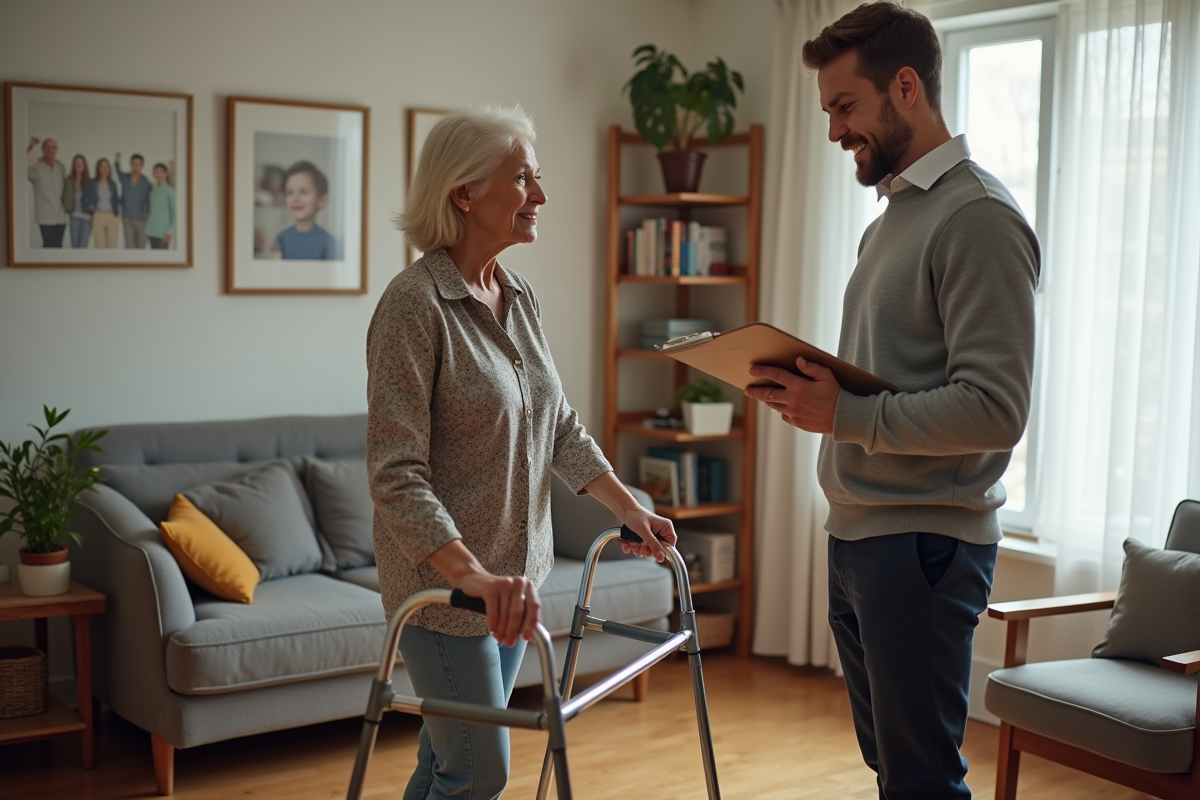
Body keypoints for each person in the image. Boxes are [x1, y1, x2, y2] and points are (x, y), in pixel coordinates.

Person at [743, 4, 1040, 799]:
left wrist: (845, 416)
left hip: (923, 546)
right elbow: (899, 372)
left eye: (845, 106)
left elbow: (995, 408)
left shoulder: (977, 218)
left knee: (921, 782)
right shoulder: (896, 218)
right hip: (862, 533)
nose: (835, 130)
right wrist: (816, 396)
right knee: (895, 773)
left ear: (905, 87)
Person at [366, 105, 676, 800]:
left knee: (447, 762)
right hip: (448, 595)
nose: (541, 195)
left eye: (537, 178)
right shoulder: (414, 306)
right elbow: (395, 477)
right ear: (464, 193)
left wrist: (629, 511)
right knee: (481, 769)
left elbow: (558, 425)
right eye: (524, 179)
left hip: (517, 585)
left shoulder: (518, 294)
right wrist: (474, 578)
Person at [271, 160, 340, 260]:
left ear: (322, 200)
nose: (295, 198)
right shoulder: (282, 238)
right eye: (290, 192)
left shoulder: (330, 242)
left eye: (303, 192)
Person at [25, 137, 67, 247]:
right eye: (47, 147)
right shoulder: (36, 169)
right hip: (45, 217)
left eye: (53, 147)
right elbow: (19, 167)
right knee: (49, 247)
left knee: (58, 247)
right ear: (43, 149)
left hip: (61, 216)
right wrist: (30, 148)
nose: (50, 150)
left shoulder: (61, 167)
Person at [114, 152, 152, 248]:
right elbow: (118, 172)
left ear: (142, 166)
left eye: (138, 165)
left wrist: (146, 212)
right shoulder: (125, 178)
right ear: (131, 165)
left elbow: (150, 199)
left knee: (140, 247)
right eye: (134, 164)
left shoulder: (146, 182)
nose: (136, 167)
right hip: (127, 218)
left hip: (141, 220)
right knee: (129, 247)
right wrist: (117, 160)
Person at [63, 154, 95, 249]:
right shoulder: (68, 181)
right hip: (74, 218)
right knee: (74, 247)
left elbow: (94, 200)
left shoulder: (90, 182)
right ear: (74, 165)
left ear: (84, 165)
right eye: (77, 163)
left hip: (87, 219)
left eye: (81, 163)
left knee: (83, 248)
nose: (79, 165)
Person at [88, 158, 121, 249]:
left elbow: (116, 199)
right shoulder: (93, 183)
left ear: (109, 169)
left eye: (106, 167)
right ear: (98, 169)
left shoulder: (112, 184)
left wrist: (118, 215)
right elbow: (90, 199)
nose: (104, 169)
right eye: (102, 167)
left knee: (112, 246)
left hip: (111, 216)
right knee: (99, 246)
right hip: (98, 215)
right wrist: (91, 214)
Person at [146, 162, 176, 249]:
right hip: (152, 231)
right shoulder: (153, 191)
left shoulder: (170, 191)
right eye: (155, 172)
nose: (158, 174)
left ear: (166, 174)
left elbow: (174, 213)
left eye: (160, 172)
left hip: (164, 232)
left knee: (162, 260)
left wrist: (170, 231)